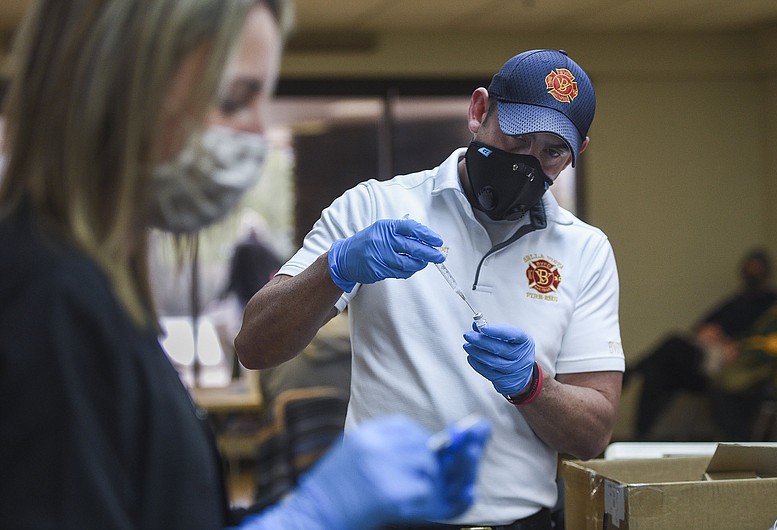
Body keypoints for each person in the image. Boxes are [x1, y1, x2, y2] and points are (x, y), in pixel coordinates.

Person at [0, 1, 490, 529]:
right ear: (117, 88)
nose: (257, 136)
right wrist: (309, 518)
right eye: (234, 99)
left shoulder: (101, 289)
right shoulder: (46, 304)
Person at [236, 49, 625, 528]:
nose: (527, 162)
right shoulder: (376, 206)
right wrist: (334, 268)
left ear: (576, 153)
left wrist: (533, 385)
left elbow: (594, 433)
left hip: (522, 521)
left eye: (551, 152)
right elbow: (255, 345)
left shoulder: (585, 250)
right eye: (518, 136)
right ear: (479, 111)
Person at [629, 248, 777, 439]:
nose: (750, 275)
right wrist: (707, 333)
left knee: (673, 343)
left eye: (755, 270)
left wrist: (727, 342)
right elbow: (700, 326)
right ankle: (641, 437)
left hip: (730, 362)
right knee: (656, 371)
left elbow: (764, 340)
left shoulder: (772, 304)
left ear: (766, 274)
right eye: (747, 270)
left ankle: (632, 370)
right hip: (705, 355)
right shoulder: (735, 301)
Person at [711, 266, 777, 440]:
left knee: (734, 394)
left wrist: (746, 346)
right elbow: (756, 332)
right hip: (770, 374)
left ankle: (741, 442)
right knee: (720, 386)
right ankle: (736, 442)